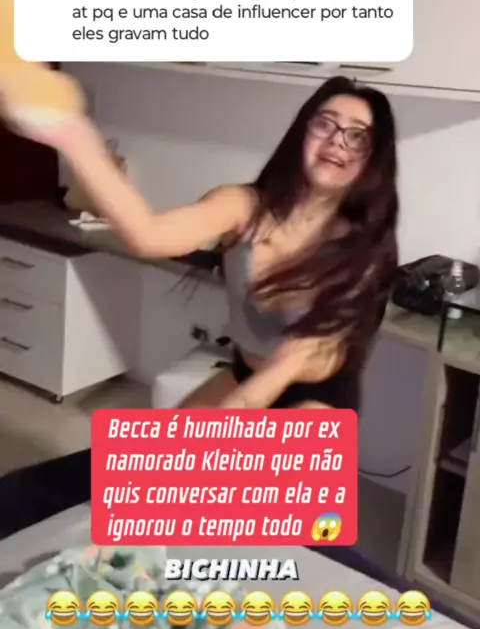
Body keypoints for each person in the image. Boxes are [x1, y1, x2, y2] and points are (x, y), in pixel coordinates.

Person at [20, 75, 398, 413]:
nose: (337, 140)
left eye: (358, 135)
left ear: (372, 160)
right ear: (302, 133)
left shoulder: (360, 251)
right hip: (245, 373)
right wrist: (77, 141)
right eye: (325, 124)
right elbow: (149, 236)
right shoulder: (242, 205)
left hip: (319, 399)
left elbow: (279, 373)